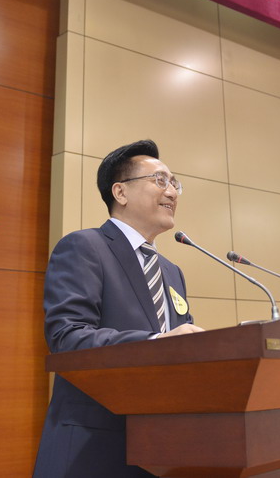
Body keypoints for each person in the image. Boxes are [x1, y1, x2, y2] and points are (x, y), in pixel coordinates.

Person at [33, 139, 204, 478]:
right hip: (94, 447)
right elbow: (68, 338)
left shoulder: (172, 272)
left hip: (162, 449)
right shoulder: (85, 247)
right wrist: (156, 343)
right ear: (121, 192)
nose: (172, 192)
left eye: (174, 183)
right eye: (160, 180)